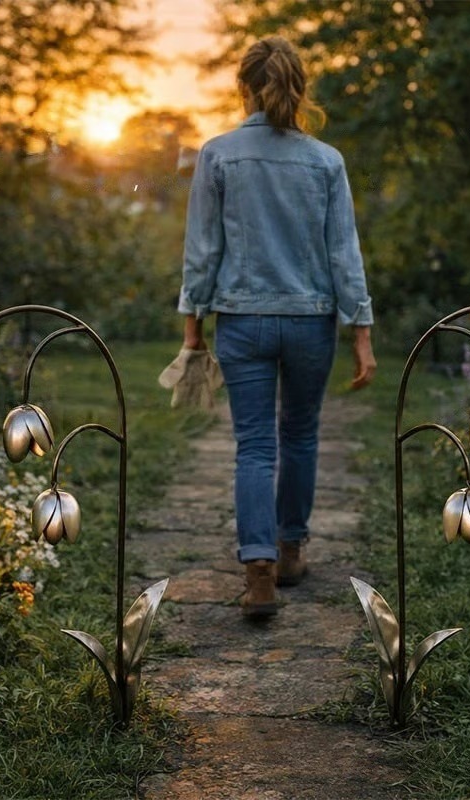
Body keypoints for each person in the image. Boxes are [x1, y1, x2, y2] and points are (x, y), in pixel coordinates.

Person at [177, 35, 376, 619]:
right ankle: (290, 551)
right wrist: (360, 332)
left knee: (256, 445)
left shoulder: (218, 155)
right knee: (301, 435)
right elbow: (345, 254)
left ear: (245, 87)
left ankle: (259, 574)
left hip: (242, 320)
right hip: (312, 322)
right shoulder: (326, 160)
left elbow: (202, 250)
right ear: (299, 87)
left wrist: (193, 324)